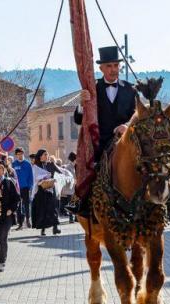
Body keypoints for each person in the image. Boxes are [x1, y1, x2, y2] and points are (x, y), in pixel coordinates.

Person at [71, 46, 137, 214]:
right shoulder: (92, 89)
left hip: (126, 141)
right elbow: (79, 120)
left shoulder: (130, 89)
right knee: (89, 170)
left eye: (116, 65)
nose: (113, 69)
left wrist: (127, 125)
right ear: (101, 68)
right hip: (99, 144)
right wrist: (81, 104)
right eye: (109, 66)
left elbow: (137, 115)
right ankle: (81, 203)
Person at [0, 159, 20, 272]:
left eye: (0, 168)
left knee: (3, 238)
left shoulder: (8, 182)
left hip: (6, 216)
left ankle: (2, 262)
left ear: (4, 170)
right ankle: (2, 255)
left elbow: (16, 198)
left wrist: (11, 210)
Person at [30, 149, 61, 236]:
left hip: (50, 190)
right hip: (40, 191)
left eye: (47, 154)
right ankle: (43, 229)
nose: (46, 156)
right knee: (42, 210)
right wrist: (42, 179)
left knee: (52, 209)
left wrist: (54, 179)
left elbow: (60, 173)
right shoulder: (36, 167)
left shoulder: (51, 164)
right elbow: (35, 178)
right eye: (44, 155)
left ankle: (55, 227)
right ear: (40, 156)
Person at [12, 147, 33, 229]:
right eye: (18, 154)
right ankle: (20, 223)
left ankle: (28, 220)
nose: (20, 156)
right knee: (18, 205)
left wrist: (30, 186)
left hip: (25, 188)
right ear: (16, 155)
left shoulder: (28, 164)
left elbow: (31, 177)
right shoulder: (14, 164)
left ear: (23, 154)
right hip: (16, 188)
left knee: (26, 205)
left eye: (21, 154)